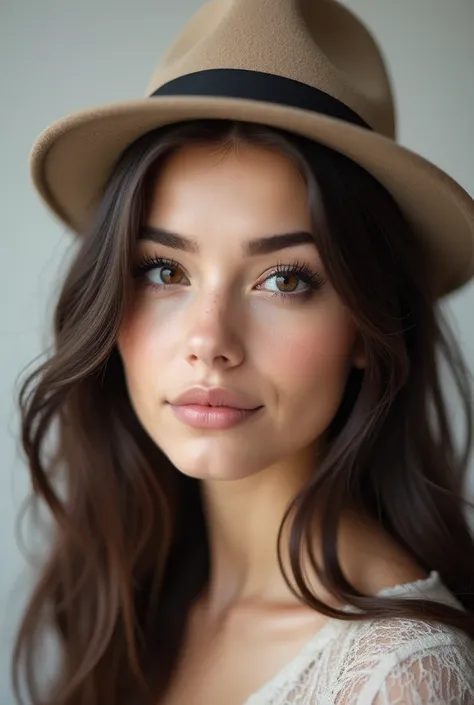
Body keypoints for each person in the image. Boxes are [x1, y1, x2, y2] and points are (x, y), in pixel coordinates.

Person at [12, 1, 474, 704]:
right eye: (165, 270)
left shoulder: (401, 679)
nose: (209, 341)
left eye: (284, 279)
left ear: (368, 323)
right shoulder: (131, 598)